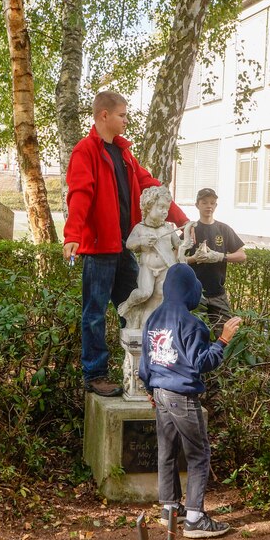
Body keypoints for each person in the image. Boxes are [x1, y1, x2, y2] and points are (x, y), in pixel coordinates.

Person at [62, 90, 188, 397]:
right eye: (122, 115)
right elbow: (80, 195)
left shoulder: (125, 153)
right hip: (99, 250)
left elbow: (152, 187)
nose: (126, 120)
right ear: (104, 115)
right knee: (94, 314)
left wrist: (181, 220)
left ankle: (149, 369)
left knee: (138, 307)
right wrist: (72, 236)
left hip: (125, 248)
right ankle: (95, 375)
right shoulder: (86, 151)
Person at [138, 263, 241, 539]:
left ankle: (170, 508)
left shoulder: (154, 318)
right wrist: (222, 341)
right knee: (198, 454)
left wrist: (150, 388)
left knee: (167, 450)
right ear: (188, 290)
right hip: (182, 396)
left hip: (159, 393)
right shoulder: (193, 323)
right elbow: (200, 363)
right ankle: (195, 518)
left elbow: (145, 361)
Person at [118, 185, 186, 329]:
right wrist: (142, 241)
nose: (164, 212)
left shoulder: (167, 228)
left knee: (161, 294)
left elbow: (178, 244)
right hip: (147, 267)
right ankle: (129, 304)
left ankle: (151, 323)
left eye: (167, 209)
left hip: (166, 267)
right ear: (148, 206)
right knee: (144, 293)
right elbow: (129, 244)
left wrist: (187, 242)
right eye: (161, 207)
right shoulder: (140, 228)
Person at [184, 188, 246, 333]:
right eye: (204, 202)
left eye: (212, 203)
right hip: (195, 294)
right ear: (197, 205)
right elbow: (175, 260)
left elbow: (242, 255)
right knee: (194, 335)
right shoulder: (191, 230)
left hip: (218, 293)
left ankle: (221, 356)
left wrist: (220, 256)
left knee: (226, 335)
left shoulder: (224, 229)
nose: (209, 206)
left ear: (216, 206)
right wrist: (193, 259)